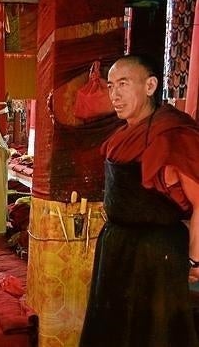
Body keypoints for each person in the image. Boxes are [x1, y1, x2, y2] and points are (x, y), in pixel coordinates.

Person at [80, 54, 199, 346]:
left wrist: (195, 260)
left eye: (123, 83)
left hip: (158, 255)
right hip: (116, 247)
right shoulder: (122, 136)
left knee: (153, 335)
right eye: (110, 86)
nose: (115, 95)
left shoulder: (173, 134)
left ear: (150, 85)